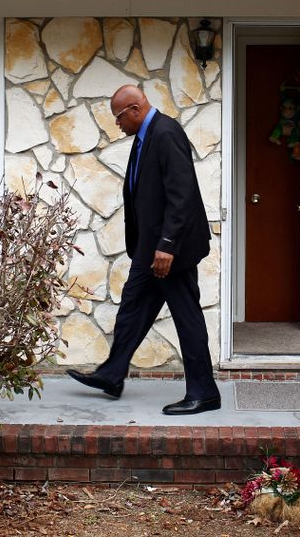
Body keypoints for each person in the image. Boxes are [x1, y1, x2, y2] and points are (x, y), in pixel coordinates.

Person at [67, 85, 221, 415]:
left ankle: (204, 392)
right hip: (148, 249)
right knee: (133, 307)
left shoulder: (166, 133)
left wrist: (167, 246)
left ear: (135, 109)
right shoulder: (145, 136)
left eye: (119, 117)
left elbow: (182, 195)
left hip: (170, 251)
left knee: (186, 318)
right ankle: (112, 374)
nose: (117, 124)